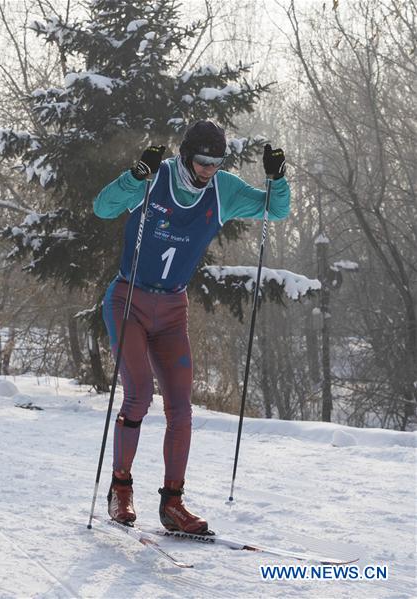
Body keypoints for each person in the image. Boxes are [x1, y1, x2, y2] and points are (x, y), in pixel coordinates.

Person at [93, 120, 289, 533]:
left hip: (171, 308)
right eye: (202, 162)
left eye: (216, 163)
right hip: (129, 300)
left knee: (181, 407)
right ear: (186, 156)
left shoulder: (224, 190)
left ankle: (172, 504)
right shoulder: (156, 177)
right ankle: (120, 489)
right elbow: (103, 208)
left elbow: (277, 208)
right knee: (139, 395)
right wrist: (134, 177)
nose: (208, 171)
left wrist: (278, 178)